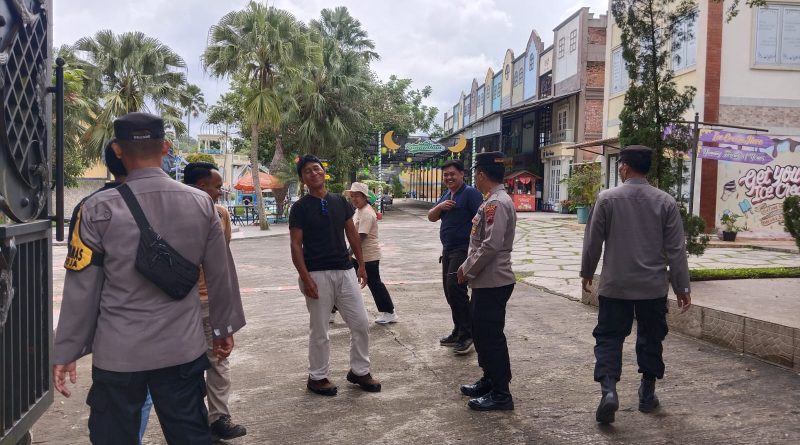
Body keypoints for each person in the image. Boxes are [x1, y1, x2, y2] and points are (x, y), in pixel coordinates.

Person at [53, 112, 246, 444]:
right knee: (190, 435)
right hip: (181, 348)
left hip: (118, 352)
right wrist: (222, 329)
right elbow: (221, 275)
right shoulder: (202, 203)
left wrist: (67, 349)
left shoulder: (96, 208)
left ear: (117, 150)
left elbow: (82, 288)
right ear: (166, 147)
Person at [580, 145, 691, 424]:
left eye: (620, 165)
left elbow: (592, 242)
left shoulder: (606, 199)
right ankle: (647, 394)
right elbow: (676, 250)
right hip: (652, 288)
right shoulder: (665, 202)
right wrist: (682, 287)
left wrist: (587, 272)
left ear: (626, 167)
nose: (619, 169)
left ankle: (609, 391)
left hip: (615, 286)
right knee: (651, 338)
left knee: (609, 337)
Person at [289, 154, 382, 397]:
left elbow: (352, 235)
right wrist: (306, 278)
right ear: (302, 179)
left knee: (360, 323)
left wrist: (361, 266)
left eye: (317, 168)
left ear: (323, 172)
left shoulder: (340, 202)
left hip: (345, 270)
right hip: (316, 274)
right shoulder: (299, 208)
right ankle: (317, 377)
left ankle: (360, 371)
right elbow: (295, 246)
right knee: (320, 329)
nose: (314, 173)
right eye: (307, 171)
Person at [183, 162, 247, 441]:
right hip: (180, 303)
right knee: (186, 364)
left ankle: (219, 418)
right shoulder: (175, 213)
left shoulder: (221, 214)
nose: (221, 192)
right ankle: (194, 421)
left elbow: (221, 259)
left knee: (218, 359)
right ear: (201, 186)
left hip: (210, 300)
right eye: (217, 187)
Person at [456, 152, 517, 411]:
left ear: (481, 174)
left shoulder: (497, 203)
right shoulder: (491, 200)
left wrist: (466, 269)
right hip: (486, 280)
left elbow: (491, 245)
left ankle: (501, 393)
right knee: (481, 334)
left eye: (475, 174)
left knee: (491, 337)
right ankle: (490, 380)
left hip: (493, 280)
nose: (475, 179)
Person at [427, 159, 484, 355]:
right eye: (446, 175)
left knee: (456, 289)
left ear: (462, 174)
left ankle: (468, 334)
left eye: (452, 174)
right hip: (448, 249)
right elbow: (431, 217)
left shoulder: (470, 193)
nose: (449, 177)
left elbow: (482, 219)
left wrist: (476, 250)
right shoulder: (446, 195)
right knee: (449, 291)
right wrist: (440, 207)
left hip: (463, 249)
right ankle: (458, 330)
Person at [345, 182, 399, 324]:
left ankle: (389, 312)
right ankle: (332, 311)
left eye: (357, 196)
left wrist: (348, 253)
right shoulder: (358, 211)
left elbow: (361, 236)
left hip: (368, 256)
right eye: (352, 196)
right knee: (345, 281)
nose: (354, 199)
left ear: (364, 197)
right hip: (358, 254)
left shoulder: (367, 213)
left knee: (374, 283)